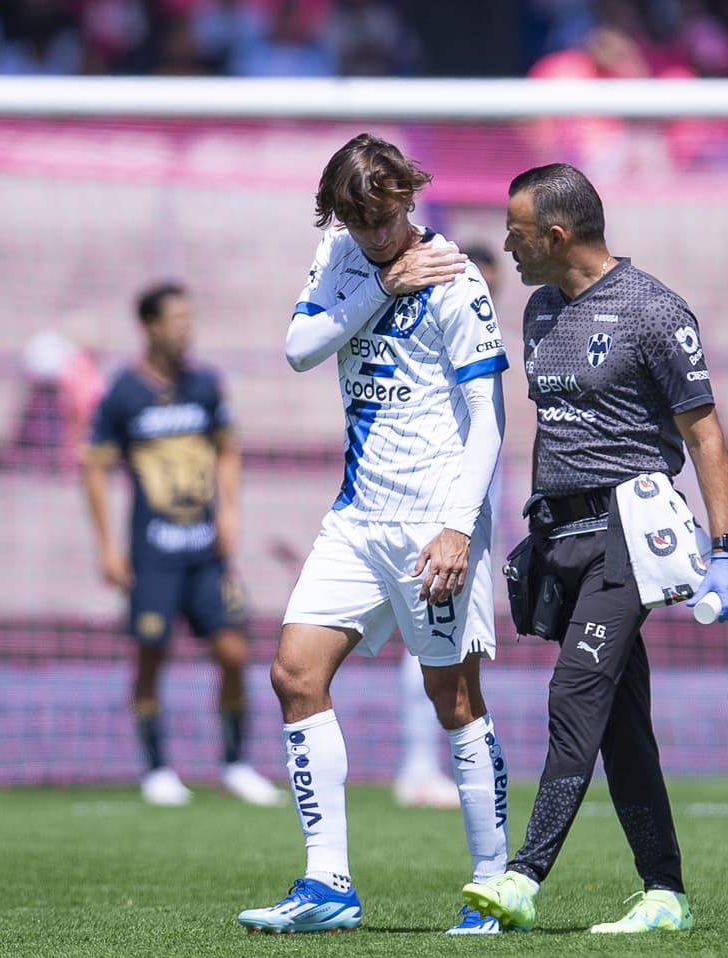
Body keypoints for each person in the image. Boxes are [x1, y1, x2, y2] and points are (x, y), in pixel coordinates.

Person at [462, 163, 728, 935]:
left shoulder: (653, 310)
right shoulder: (537, 311)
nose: (509, 247)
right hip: (562, 537)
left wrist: (727, 549)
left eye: (517, 232)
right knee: (622, 726)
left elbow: (704, 432)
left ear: (555, 235)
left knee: (575, 693)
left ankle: (522, 878)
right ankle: (665, 894)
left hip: (631, 532)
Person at [236, 133, 512, 935]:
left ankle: (494, 888)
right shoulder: (343, 257)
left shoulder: (457, 280)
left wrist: (460, 529)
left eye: (385, 219)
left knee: (453, 699)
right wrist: (380, 284)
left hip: (434, 524)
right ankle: (329, 885)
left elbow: (489, 419)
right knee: (294, 674)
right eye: (359, 223)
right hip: (357, 518)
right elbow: (298, 351)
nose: (375, 235)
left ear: (409, 197)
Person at [82, 282, 282, 808]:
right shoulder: (123, 392)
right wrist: (106, 547)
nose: (185, 329)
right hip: (152, 552)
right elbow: (95, 468)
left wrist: (231, 513)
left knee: (233, 651)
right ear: (149, 326)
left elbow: (227, 450)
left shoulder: (206, 385)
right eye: (176, 320)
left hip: (205, 551)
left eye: (190, 319)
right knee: (151, 653)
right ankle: (155, 769)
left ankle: (235, 763)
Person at [391, 244, 505, 811]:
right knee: (439, 651)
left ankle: (423, 768)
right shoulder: (442, 343)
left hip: (464, 515)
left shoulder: (479, 345)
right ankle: (416, 767)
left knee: (444, 653)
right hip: (436, 515)